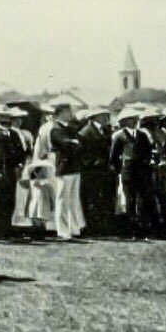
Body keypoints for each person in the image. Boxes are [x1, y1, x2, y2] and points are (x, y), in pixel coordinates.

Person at [110, 108, 155, 240]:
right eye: (131, 119)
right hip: (128, 172)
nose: (134, 121)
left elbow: (148, 152)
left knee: (142, 201)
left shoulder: (142, 135)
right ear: (124, 121)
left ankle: (142, 229)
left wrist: (146, 163)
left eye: (136, 119)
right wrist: (120, 169)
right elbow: (113, 156)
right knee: (130, 201)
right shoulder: (119, 136)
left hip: (142, 172)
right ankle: (132, 230)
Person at [0, 106, 27, 239]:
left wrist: (20, 163)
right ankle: (0, 230)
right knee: (1, 201)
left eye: (8, 117)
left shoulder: (14, 134)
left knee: (10, 201)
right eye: (3, 117)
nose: (6, 120)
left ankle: (7, 228)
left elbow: (21, 152)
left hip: (11, 172)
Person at [50, 103, 85, 240]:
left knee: (73, 200)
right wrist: (74, 143)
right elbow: (66, 144)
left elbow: (79, 143)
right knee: (63, 200)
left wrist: (75, 143)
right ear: (61, 113)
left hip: (73, 168)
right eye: (68, 111)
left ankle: (73, 228)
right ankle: (63, 231)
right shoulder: (56, 129)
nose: (70, 114)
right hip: (64, 168)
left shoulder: (68, 129)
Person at [78, 107, 112, 235]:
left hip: (103, 170)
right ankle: (91, 226)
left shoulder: (105, 130)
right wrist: (93, 161)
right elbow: (82, 153)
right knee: (91, 198)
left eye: (106, 115)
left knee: (101, 199)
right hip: (91, 171)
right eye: (102, 115)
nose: (105, 117)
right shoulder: (86, 132)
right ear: (94, 117)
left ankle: (100, 225)